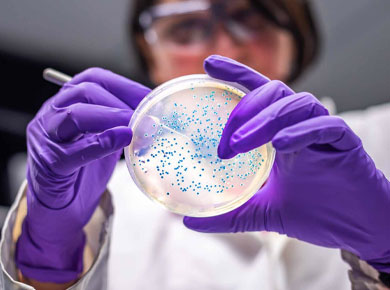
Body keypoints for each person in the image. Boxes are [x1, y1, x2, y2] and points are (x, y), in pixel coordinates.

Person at [0, 0, 389, 289]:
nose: (223, 48)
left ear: (297, 39)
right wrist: (52, 251)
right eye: (185, 28)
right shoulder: (109, 195)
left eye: (251, 18)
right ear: (149, 54)